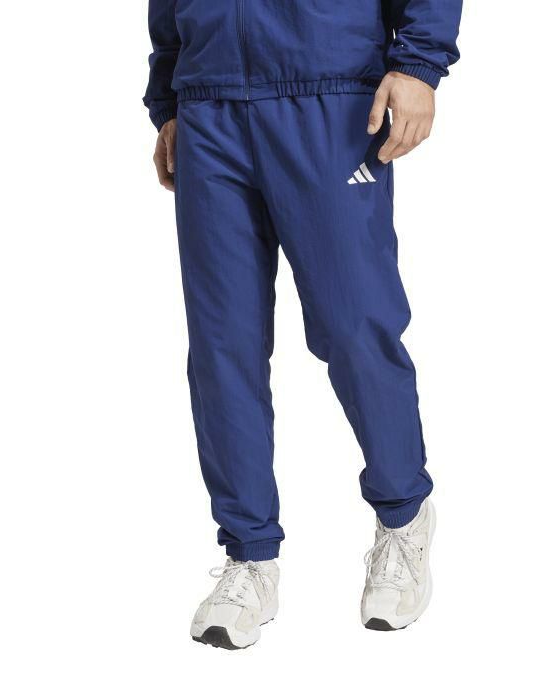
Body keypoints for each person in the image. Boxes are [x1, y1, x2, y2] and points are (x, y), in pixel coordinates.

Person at [144, 0, 462, 648]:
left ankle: (403, 518)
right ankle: (249, 556)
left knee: (355, 325)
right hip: (208, 104)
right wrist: (169, 99)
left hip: (330, 93)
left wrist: (420, 64)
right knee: (221, 346)